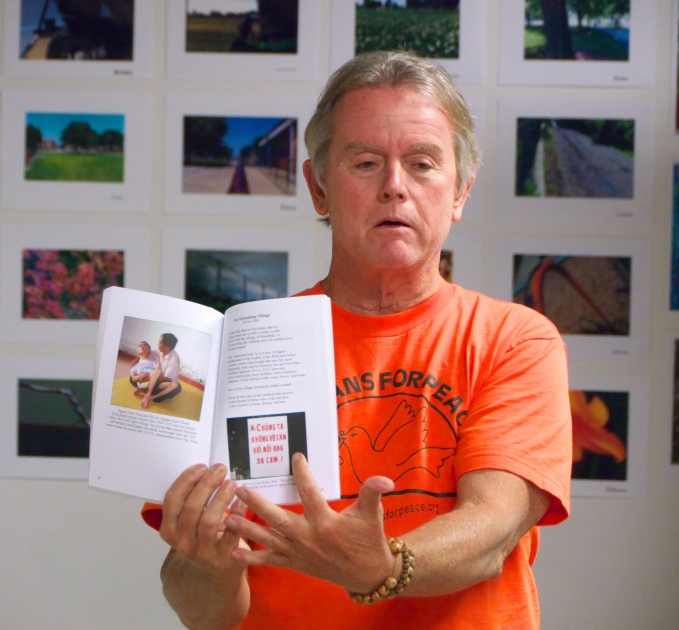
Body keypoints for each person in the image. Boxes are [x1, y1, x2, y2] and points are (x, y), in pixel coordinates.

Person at [142, 50, 572, 629]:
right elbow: (201, 612)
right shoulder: (238, 350)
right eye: (366, 162)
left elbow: (491, 534)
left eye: (422, 163)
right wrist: (207, 563)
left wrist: (380, 566)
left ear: (461, 191)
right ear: (319, 188)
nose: (395, 187)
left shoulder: (515, 340)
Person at [140, 333, 182, 409]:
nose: (157, 344)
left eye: (159, 343)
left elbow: (166, 379)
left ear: (166, 347)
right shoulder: (158, 351)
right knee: (135, 377)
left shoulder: (174, 360)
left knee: (176, 386)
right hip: (153, 379)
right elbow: (147, 354)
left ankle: (150, 394)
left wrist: (151, 376)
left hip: (162, 382)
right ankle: (148, 394)